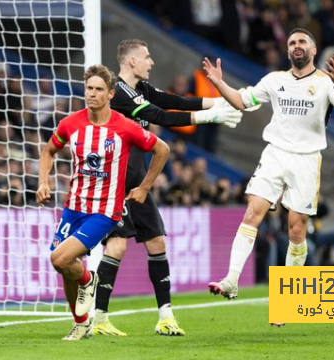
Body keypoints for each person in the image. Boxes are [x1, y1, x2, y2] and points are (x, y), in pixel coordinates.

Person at [92, 39, 242, 337]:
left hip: (137, 182)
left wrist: (226, 100)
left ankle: (165, 317)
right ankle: (98, 319)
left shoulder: (141, 90)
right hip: (115, 184)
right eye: (147, 57)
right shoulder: (117, 92)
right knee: (117, 246)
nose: (152, 62)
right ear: (131, 61)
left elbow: (173, 101)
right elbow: (158, 116)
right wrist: (209, 116)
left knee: (157, 242)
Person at [202, 28, 334, 326]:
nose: (296, 46)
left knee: (296, 230)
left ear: (313, 49)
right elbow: (242, 102)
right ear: (288, 52)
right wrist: (219, 84)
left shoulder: (324, 83)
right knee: (252, 212)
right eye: (292, 43)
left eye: (302, 43)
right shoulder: (275, 80)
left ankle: (287, 303)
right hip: (275, 154)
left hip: (307, 159)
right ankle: (232, 279)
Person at [37, 64, 170, 341]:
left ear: (110, 94)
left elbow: (162, 149)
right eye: (89, 88)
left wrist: (145, 187)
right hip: (74, 207)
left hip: (104, 210)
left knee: (59, 257)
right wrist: (43, 181)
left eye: (98, 89)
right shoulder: (71, 123)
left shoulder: (124, 126)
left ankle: (88, 279)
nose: (92, 94)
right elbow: (49, 150)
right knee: (62, 266)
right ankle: (81, 323)